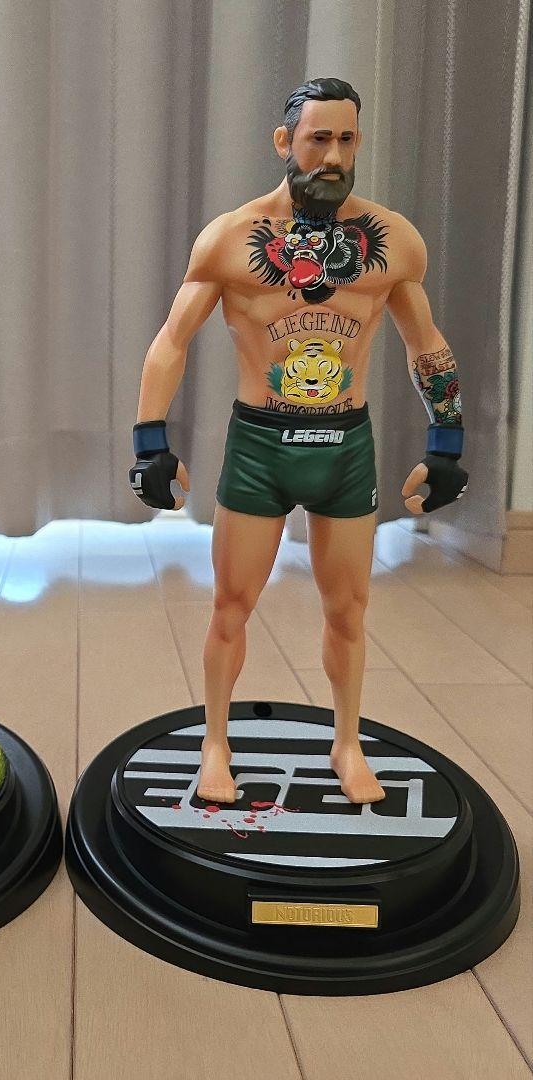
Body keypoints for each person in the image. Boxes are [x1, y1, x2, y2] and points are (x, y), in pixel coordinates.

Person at [129, 77, 467, 805]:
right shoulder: (231, 237)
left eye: (346, 139)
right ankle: (215, 743)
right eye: (318, 139)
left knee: (348, 612)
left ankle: (346, 741)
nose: (333, 156)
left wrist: (446, 440)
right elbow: (171, 341)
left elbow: (425, 343)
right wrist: (149, 441)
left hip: (344, 448)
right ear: (284, 142)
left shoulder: (391, 241)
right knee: (230, 606)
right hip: (261, 447)